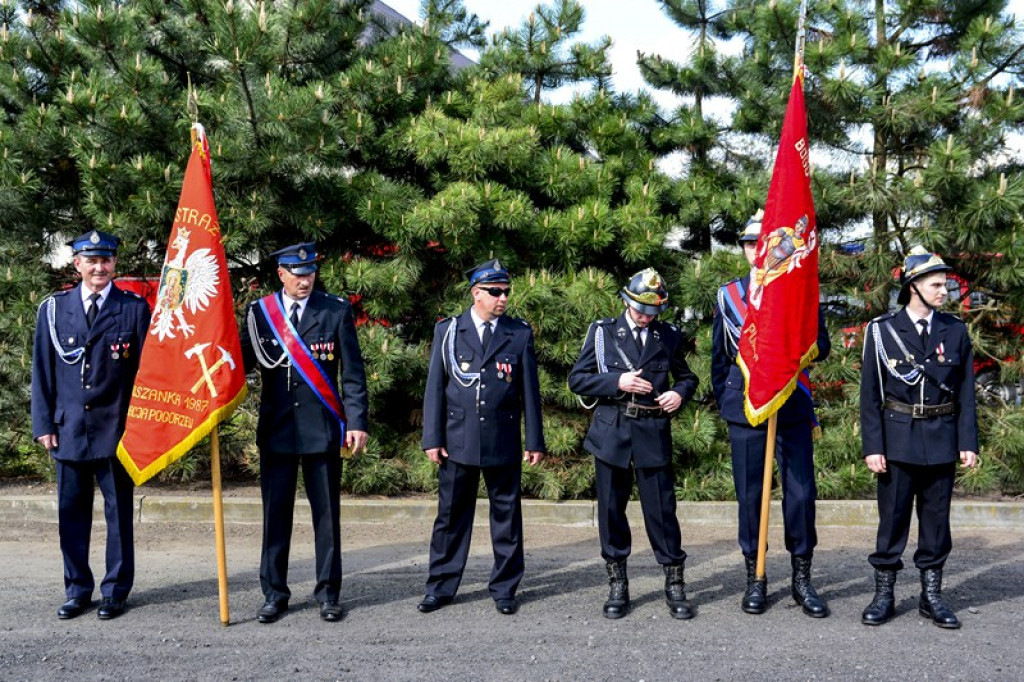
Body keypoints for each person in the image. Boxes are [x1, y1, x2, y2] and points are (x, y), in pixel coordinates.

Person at [711, 210, 832, 618]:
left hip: (791, 404)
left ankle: (802, 578)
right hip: (745, 407)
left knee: (800, 494)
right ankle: (755, 576)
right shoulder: (729, 295)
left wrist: (795, 331)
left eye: (759, 242)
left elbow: (824, 346)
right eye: (748, 243)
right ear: (746, 250)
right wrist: (728, 402)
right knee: (750, 495)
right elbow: (719, 358)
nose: (754, 249)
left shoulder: (799, 289)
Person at [240, 243, 369, 624]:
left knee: (326, 517)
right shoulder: (260, 314)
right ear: (281, 274)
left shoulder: (334, 311)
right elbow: (240, 362)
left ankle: (329, 594)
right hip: (278, 429)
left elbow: (353, 374)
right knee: (274, 517)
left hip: (322, 430)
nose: (304, 279)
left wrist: (357, 421)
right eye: (297, 274)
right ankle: (274, 593)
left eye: (310, 272)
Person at [31, 229, 151, 620]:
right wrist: (43, 424)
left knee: (119, 516)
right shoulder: (54, 309)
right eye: (91, 260)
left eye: (106, 260)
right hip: (68, 429)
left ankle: (115, 590)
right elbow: (43, 373)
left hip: (116, 430)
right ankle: (77, 590)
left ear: (115, 263)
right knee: (71, 514)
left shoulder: (133, 308)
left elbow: (145, 375)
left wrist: (141, 426)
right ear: (77, 263)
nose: (99, 267)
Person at [568, 268, 699, 620]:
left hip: (652, 431)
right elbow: (577, 380)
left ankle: (674, 583)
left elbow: (688, 377)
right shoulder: (603, 333)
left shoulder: (667, 334)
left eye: (652, 312)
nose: (645, 317)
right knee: (611, 512)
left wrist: (678, 393)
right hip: (612, 432)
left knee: (662, 513)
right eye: (641, 310)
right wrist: (618, 380)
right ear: (627, 301)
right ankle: (618, 584)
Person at [859, 246, 978, 629]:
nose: (945, 291)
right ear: (915, 286)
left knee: (936, 523)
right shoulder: (882, 331)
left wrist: (968, 441)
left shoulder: (954, 331)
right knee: (892, 521)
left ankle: (931, 596)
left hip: (942, 437)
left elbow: (965, 392)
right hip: (897, 440)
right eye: (937, 285)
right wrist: (873, 447)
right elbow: (870, 394)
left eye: (945, 285)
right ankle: (884, 595)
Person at [418, 259, 545, 616]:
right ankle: (440, 587)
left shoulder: (517, 333)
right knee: (451, 518)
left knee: (506, 517)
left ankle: (505, 588)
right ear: (476, 293)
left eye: (506, 291)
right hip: (458, 438)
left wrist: (534, 440)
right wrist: (432, 437)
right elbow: (435, 388)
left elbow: (529, 393)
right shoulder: (449, 331)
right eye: (494, 292)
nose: (502, 298)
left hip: (501, 438)